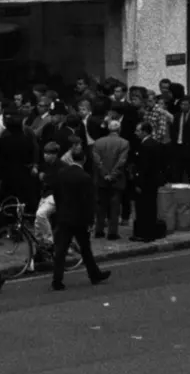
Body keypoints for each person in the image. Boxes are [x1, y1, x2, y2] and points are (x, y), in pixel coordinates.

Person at [50, 149, 111, 291]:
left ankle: (57, 280)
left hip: (64, 217)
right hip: (79, 219)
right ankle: (94, 274)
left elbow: (56, 194)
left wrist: (59, 211)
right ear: (83, 160)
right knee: (85, 248)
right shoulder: (85, 177)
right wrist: (90, 220)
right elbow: (88, 202)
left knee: (61, 250)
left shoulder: (62, 174)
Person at [92, 119, 130, 241]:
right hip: (116, 180)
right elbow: (121, 162)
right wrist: (112, 175)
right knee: (114, 207)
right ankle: (112, 232)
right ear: (119, 129)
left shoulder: (98, 142)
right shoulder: (124, 143)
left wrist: (104, 174)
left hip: (101, 180)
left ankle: (99, 230)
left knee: (100, 206)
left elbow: (97, 161)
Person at [132, 121, 166, 242]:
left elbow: (143, 167)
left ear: (145, 132)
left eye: (138, 131)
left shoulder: (145, 146)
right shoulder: (155, 144)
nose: (136, 133)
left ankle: (144, 233)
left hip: (146, 182)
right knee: (151, 207)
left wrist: (138, 183)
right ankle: (150, 232)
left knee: (143, 208)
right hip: (154, 181)